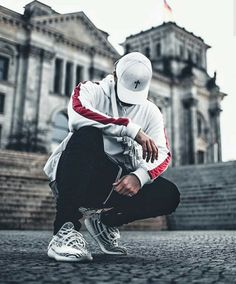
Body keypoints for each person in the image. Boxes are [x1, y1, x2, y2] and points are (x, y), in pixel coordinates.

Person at [44, 52, 180, 262]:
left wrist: (140, 176)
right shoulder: (91, 89)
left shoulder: (151, 111)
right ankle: (63, 230)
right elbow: (78, 114)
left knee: (169, 194)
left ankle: (105, 222)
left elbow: (163, 153)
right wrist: (130, 129)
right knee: (87, 134)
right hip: (79, 174)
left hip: (118, 183)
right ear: (114, 76)